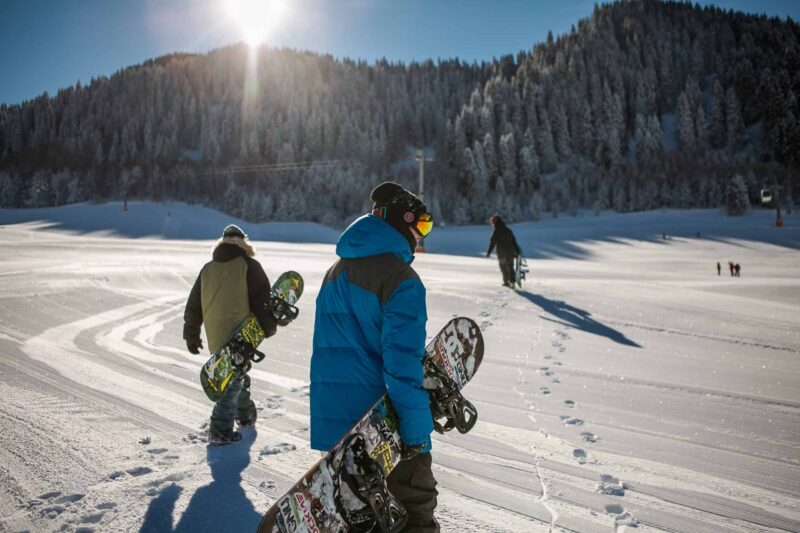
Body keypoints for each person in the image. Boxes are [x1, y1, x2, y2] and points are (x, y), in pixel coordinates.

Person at [311, 181, 438, 532]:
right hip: (384, 431)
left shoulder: (334, 272)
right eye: (422, 225)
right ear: (403, 221)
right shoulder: (402, 279)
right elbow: (402, 366)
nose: (422, 235)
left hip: (338, 431)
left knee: (361, 522)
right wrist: (416, 436)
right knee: (415, 516)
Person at [183, 224, 278, 444]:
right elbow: (262, 302)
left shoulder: (207, 268)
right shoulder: (249, 265)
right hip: (241, 333)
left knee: (235, 374)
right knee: (232, 379)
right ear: (244, 243)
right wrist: (269, 326)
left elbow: (193, 305)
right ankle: (219, 430)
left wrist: (192, 333)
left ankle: (246, 417)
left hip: (215, 333)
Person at [486, 214, 522, 287]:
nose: (492, 224)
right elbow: (514, 242)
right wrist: (517, 251)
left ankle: (506, 282)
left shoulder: (496, 231)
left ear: (495, 222)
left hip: (502, 253)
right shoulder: (508, 230)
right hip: (511, 252)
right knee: (510, 267)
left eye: (492, 222)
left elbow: (492, 243)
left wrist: (488, 253)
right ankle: (512, 282)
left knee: (503, 267)